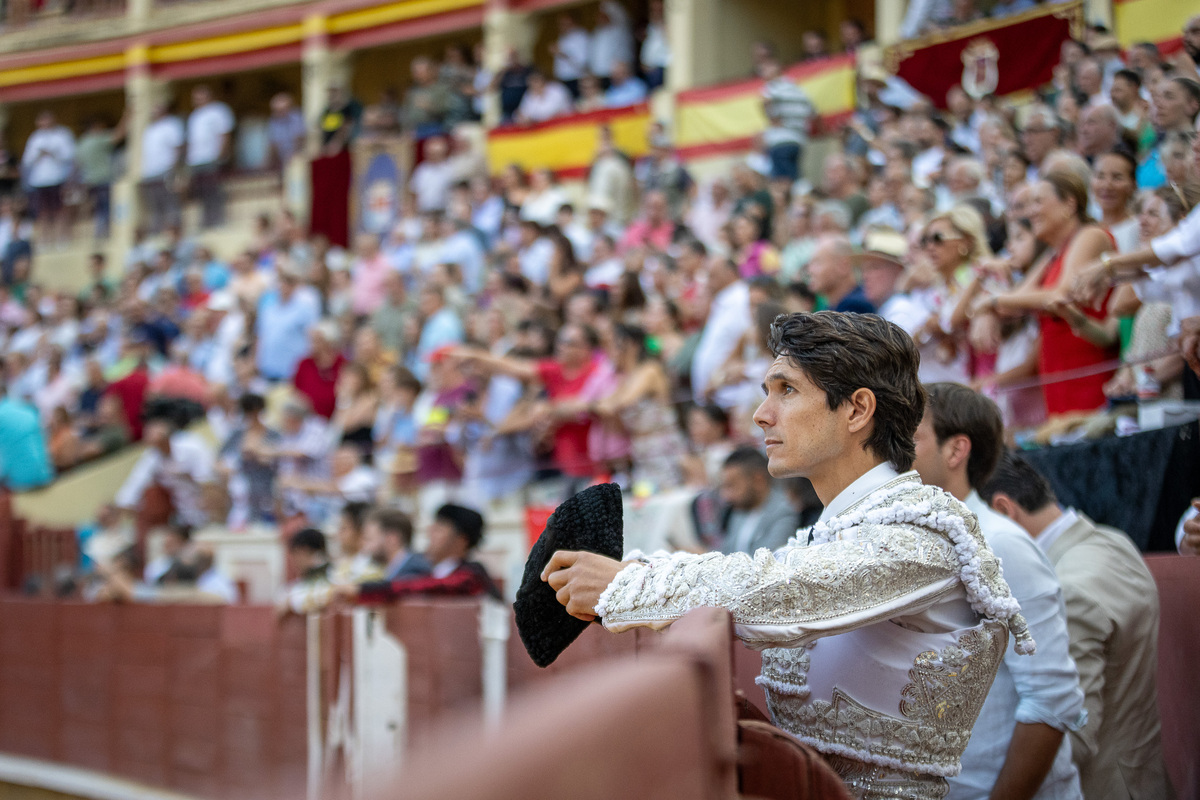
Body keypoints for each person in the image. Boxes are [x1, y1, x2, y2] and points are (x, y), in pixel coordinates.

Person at [543, 311, 1033, 799]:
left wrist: (629, 582)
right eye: (766, 391)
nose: (761, 414)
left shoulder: (923, 533)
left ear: (858, 410)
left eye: (787, 390)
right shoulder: (838, 531)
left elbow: (775, 591)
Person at [912, 384, 1085, 800]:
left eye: (909, 439)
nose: (890, 453)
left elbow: (1051, 702)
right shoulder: (909, 541)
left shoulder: (1001, 544)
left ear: (955, 452)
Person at [981, 452, 1172, 800]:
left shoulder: (1064, 590)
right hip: (1143, 779)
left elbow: (1068, 736)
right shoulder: (1113, 540)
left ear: (1003, 510)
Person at [342, 504, 499, 602]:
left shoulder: (470, 575)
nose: (430, 533)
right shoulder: (435, 572)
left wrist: (365, 589)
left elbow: (422, 586)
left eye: (439, 529)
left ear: (462, 539)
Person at [115, 412, 216, 529]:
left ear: (165, 433)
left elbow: (209, 482)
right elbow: (133, 485)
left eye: (154, 432)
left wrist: (210, 507)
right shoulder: (152, 457)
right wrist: (125, 508)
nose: (149, 436)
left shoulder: (191, 446)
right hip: (183, 514)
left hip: (209, 505)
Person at [715, 446, 797, 554]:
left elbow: (770, 559)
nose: (726, 496)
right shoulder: (738, 512)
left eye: (733, 486)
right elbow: (725, 553)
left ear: (758, 480)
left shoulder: (784, 512)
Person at [186, 85, 235, 229]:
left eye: (201, 97)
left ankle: (218, 219)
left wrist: (220, 156)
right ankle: (207, 221)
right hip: (196, 161)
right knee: (201, 193)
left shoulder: (219, 110)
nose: (198, 100)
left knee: (214, 191)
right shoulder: (194, 116)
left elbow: (225, 134)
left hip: (212, 159)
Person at [805, 235, 875, 313]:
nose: (809, 271)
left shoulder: (855, 308)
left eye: (817, 263)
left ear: (843, 265)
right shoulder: (834, 305)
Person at [362, 507, 431, 581]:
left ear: (392, 538)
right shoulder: (394, 571)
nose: (365, 547)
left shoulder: (413, 575)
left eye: (370, 539)